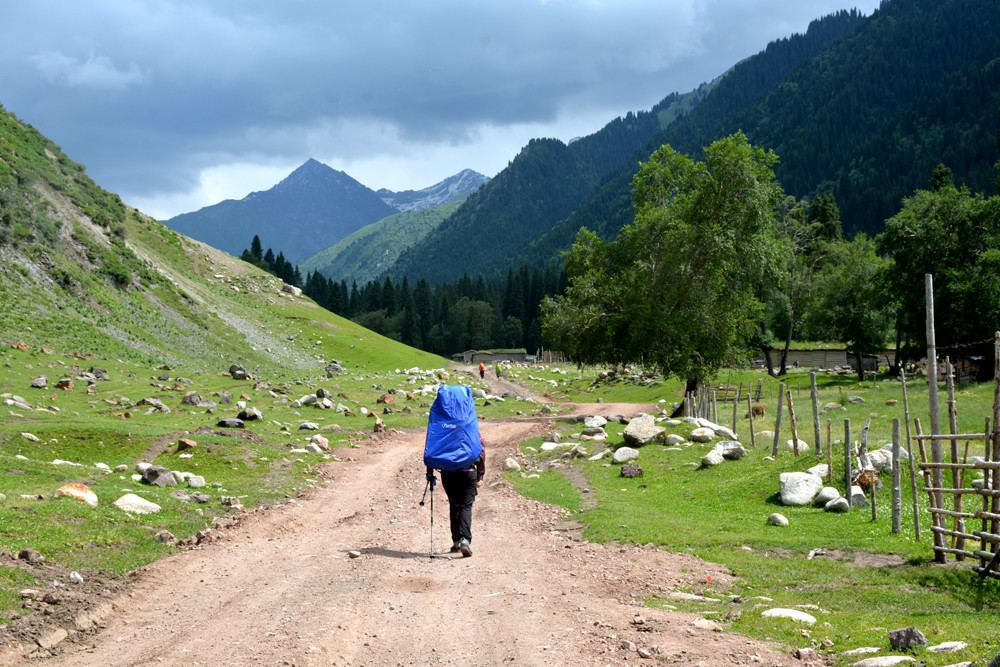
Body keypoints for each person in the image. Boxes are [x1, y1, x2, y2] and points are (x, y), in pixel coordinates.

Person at [427, 439, 484, 556]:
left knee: (454, 505)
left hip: (448, 473)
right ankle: (465, 540)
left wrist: (429, 472)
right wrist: (480, 475)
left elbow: (431, 448)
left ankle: (456, 541)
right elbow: (481, 451)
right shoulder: (470, 425)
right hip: (468, 472)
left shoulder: (444, 428)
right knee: (465, 506)